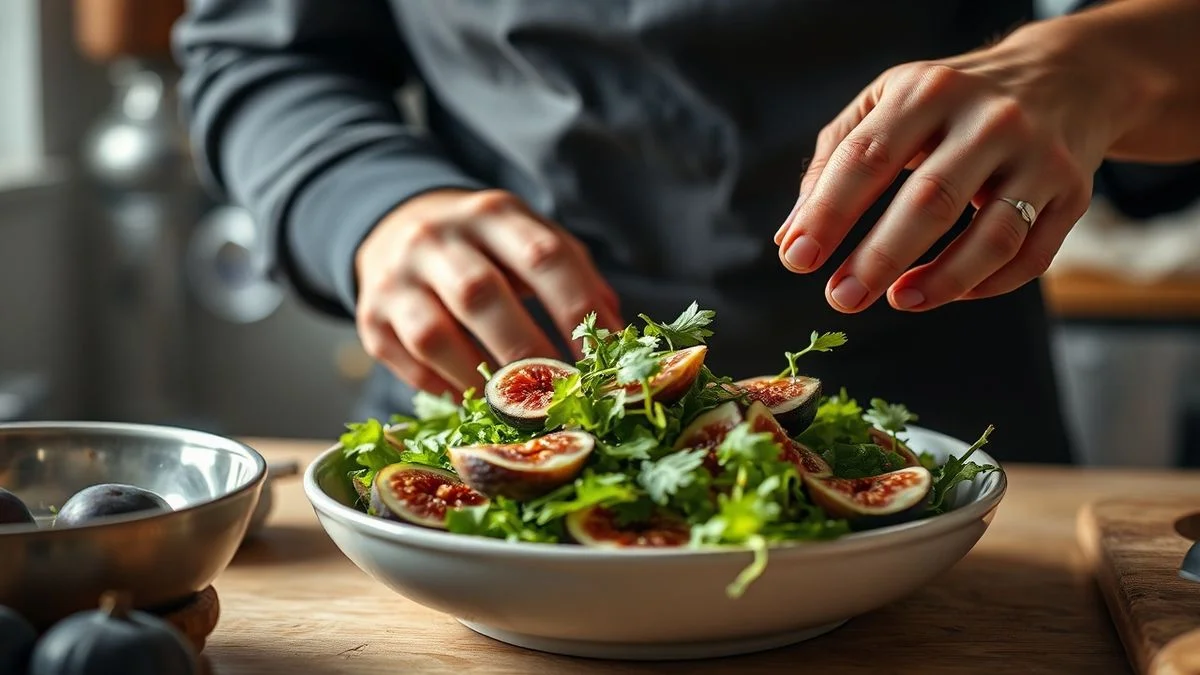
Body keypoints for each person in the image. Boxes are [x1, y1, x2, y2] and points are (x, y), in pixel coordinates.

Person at [173, 0, 1200, 464]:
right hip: (493, 417)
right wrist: (371, 205)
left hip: (932, 425)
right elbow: (257, 54)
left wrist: (1104, 65)